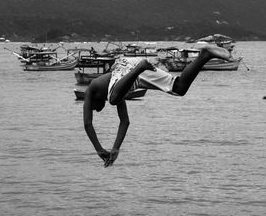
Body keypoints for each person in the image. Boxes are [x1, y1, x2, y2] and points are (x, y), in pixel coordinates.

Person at [83, 45, 231, 167]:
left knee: (113, 99)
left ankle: (140, 68)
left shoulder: (91, 90)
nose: (96, 110)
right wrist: (115, 148)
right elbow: (124, 121)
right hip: (133, 72)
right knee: (179, 88)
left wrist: (98, 149)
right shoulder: (116, 90)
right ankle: (205, 55)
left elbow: (88, 124)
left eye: (94, 109)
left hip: (125, 67)